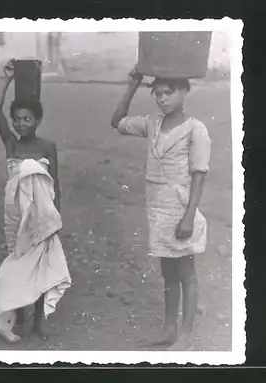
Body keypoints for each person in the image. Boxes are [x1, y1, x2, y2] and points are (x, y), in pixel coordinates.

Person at [110, 69, 211, 350]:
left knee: (186, 271)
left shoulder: (195, 129)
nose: (163, 99)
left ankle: (187, 335)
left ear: (184, 93)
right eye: (158, 93)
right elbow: (116, 121)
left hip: (181, 208)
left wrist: (189, 215)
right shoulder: (152, 123)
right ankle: (168, 330)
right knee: (168, 271)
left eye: (169, 92)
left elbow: (199, 174)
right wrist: (132, 86)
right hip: (158, 207)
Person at [0, 59, 72, 343]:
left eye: (27, 118)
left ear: (37, 120)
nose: (20, 123)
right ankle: (19, 313)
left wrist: (56, 216)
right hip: (16, 215)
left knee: (40, 267)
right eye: (17, 119)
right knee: (18, 261)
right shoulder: (11, 144)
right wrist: (8, 79)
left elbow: (55, 183)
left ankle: (38, 320)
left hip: (42, 216)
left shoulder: (46, 146)